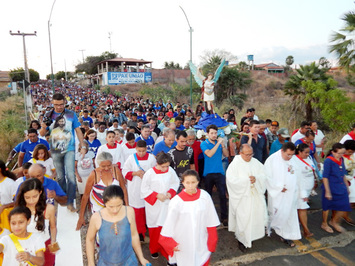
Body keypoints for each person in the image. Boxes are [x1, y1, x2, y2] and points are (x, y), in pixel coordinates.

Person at [159, 170, 219, 266]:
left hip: (201, 239)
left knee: (201, 260)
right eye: (187, 183)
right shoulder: (176, 202)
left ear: (198, 182)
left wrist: (212, 239)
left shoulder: (205, 196)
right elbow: (169, 223)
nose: (190, 186)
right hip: (183, 241)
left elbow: (211, 219)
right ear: (182, 183)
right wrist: (168, 242)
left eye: (193, 182)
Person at [39, 93, 86, 212]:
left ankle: (70, 202)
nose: (58, 107)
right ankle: (63, 198)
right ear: (52, 103)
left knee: (70, 175)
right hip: (55, 150)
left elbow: (78, 130)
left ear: (64, 102)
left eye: (60, 105)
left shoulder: (71, 114)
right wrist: (44, 127)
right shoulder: (48, 115)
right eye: (56, 105)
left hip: (69, 149)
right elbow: (42, 134)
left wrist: (82, 144)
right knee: (60, 176)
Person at [86, 185, 149, 266]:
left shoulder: (129, 212)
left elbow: (134, 235)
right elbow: (90, 239)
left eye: (119, 205)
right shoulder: (97, 217)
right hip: (105, 263)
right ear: (104, 202)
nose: (115, 210)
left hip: (128, 262)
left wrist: (141, 257)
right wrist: (90, 263)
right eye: (111, 206)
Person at [226, 144, 267, 251]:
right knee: (243, 220)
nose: (249, 157)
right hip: (242, 198)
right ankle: (241, 240)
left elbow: (264, 175)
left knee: (254, 218)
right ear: (240, 153)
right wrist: (247, 181)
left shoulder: (255, 162)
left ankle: (252, 236)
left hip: (254, 196)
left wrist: (256, 179)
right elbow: (231, 181)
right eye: (247, 155)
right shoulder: (234, 164)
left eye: (251, 154)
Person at [141, 152, 179, 261]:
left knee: (167, 228)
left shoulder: (170, 171)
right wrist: (156, 195)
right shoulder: (149, 173)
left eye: (167, 166)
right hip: (154, 206)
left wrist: (170, 193)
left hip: (166, 204)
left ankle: (166, 249)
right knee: (154, 229)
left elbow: (175, 183)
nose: (165, 168)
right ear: (157, 164)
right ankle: (154, 249)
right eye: (163, 167)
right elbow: (144, 190)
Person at [76, 152, 128, 230]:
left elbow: (123, 188)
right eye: (103, 166)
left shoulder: (116, 171)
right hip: (98, 208)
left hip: (115, 207)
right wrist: (81, 217)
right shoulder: (94, 174)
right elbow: (86, 195)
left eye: (109, 165)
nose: (106, 168)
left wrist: (127, 208)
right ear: (98, 164)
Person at [265, 142, 301, 247]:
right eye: (288, 155)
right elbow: (267, 177)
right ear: (282, 151)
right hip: (278, 194)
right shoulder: (271, 160)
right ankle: (274, 228)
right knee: (278, 213)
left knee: (289, 214)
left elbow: (297, 175)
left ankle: (285, 235)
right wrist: (279, 187)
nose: (290, 157)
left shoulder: (294, 159)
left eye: (292, 154)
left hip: (291, 194)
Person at [15, 178, 57, 266]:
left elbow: (53, 227)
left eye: (34, 196)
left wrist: (54, 242)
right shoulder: (19, 210)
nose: (31, 201)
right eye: (27, 197)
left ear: (40, 192)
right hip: (25, 248)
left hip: (45, 246)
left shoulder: (49, 208)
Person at [122, 140, 157, 242]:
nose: (141, 153)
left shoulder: (151, 158)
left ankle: (146, 230)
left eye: (143, 151)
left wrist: (147, 174)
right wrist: (135, 173)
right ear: (136, 149)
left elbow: (155, 171)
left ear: (146, 149)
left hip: (147, 188)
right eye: (139, 151)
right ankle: (139, 234)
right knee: (137, 212)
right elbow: (125, 171)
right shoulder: (131, 158)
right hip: (135, 188)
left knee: (147, 211)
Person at [200, 124, 229, 226]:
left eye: (215, 133)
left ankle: (224, 218)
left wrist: (223, 145)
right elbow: (209, 154)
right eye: (212, 133)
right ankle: (207, 218)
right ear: (207, 134)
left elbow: (226, 155)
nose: (214, 135)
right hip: (208, 173)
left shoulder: (219, 143)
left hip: (220, 172)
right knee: (208, 197)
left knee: (222, 195)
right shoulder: (204, 144)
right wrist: (218, 144)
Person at [321, 143, 351, 233]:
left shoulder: (341, 159)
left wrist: (347, 187)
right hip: (330, 186)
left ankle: (334, 221)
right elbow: (325, 177)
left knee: (344, 205)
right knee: (327, 206)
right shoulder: (328, 161)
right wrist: (327, 191)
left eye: (343, 153)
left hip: (340, 186)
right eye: (339, 153)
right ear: (333, 152)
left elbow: (343, 174)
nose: (341, 155)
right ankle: (324, 223)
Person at [294, 143, 316, 238]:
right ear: (299, 152)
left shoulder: (309, 159)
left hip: (308, 188)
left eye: (309, 152)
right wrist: (303, 194)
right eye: (306, 153)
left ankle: (297, 224)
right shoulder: (295, 161)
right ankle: (306, 230)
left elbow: (312, 170)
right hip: (300, 190)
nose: (308, 154)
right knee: (302, 208)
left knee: (298, 208)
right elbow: (298, 179)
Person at [343, 140, 355, 225]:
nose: (350, 153)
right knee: (343, 200)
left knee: (352, 200)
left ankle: (345, 215)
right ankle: (338, 216)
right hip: (342, 180)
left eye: (352, 152)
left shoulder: (352, 156)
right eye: (349, 151)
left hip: (352, 179)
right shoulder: (339, 156)